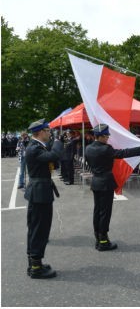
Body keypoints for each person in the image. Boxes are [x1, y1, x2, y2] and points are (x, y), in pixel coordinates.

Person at [84, 124, 140, 251]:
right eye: (106, 136)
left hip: (96, 182)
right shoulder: (105, 149)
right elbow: (122, 153)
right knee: (105, 212)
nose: (108, 138)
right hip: (106, 183)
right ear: (101, 136)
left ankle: (98, 237)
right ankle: (103, 240)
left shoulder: (88, 148)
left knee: (97, 211)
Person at [24, 119, 63, 279]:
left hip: (41, 191)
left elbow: (53, 160)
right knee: (39, 229)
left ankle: (35, 262)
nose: (50, 133)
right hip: (40, 193)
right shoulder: (34, 148)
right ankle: (36, 267)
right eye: (48, 131)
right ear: (40, 132)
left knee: (37, 228)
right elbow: (54, 154)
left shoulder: (38, 146)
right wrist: (59, 141)